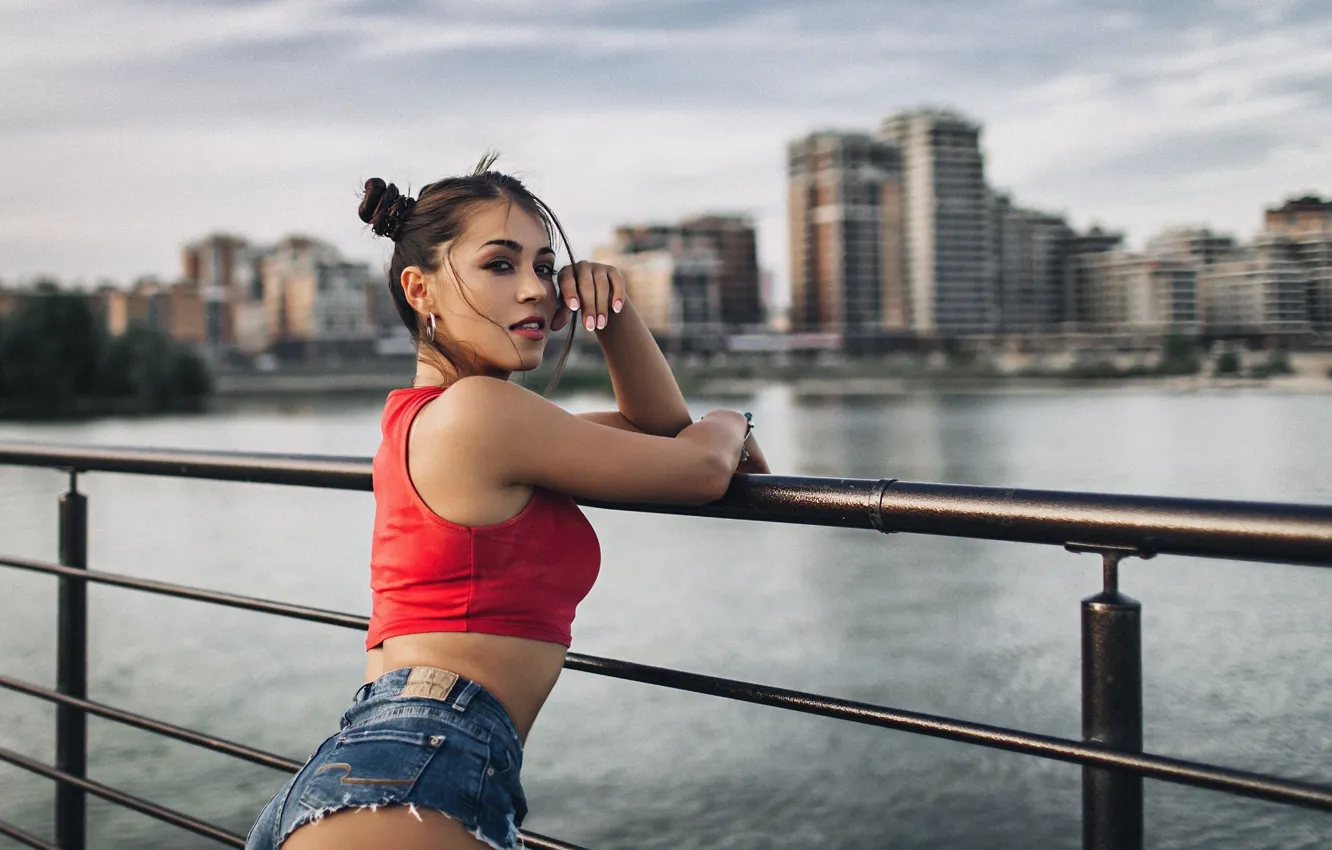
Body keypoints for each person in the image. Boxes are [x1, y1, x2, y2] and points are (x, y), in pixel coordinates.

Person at [245, 155, 768, 850]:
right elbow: (700, 463)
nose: (536, 291)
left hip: (380, 769)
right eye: (500, 265)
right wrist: (736, 419)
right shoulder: (481, 414)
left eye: (546, 267)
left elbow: (658, 434)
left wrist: (613, 315)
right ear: (419, 288)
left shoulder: (447, 420)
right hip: (417, 774)